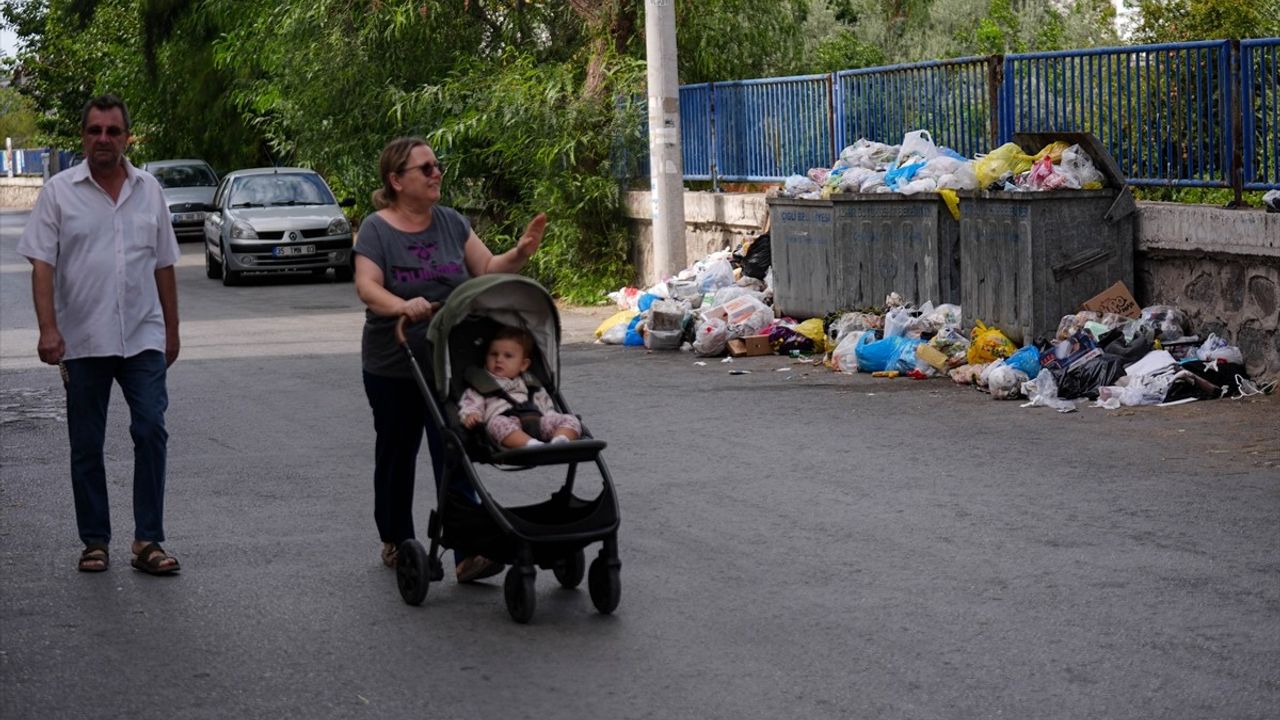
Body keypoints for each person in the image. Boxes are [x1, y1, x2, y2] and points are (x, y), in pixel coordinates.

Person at [354, 136, 547, 583]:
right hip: (395, 359)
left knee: (454, 448)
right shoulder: (376, 229)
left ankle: (467, 550)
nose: (436, 173)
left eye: (437, 166)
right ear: (396, 180)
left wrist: (520, 252)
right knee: (398, 451)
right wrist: (401, 305)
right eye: (425, 168)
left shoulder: (452, 222)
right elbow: (367, 286)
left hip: (449, 358)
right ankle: (396, 539)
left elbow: (486, 270)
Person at [17, 94, 182, 575]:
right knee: (87, 443)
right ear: (83, 137)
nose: (103, 139)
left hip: (143, 337)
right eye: (95, 131)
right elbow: (42, 265)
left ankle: (148, 539)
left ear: (127, 137)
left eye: (113, 131)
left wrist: (172, 330)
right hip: (83, 340)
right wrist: (48, 329)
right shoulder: (59, 192)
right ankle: (95, 541)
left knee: (151, 430)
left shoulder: (149, 190)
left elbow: (165, 264)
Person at [459, 326, 581, 448]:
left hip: (538, 422)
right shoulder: (482, 385)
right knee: (496, 424)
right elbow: (470, 404)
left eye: (508, 356)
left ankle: (560, 440)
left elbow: (546, 407)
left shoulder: (531, 383)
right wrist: (471, 415)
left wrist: (553, 420)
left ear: (523, 364)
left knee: (570, 419)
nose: (499, 359)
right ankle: (529, 444)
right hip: (506, 424)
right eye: (493, 354)